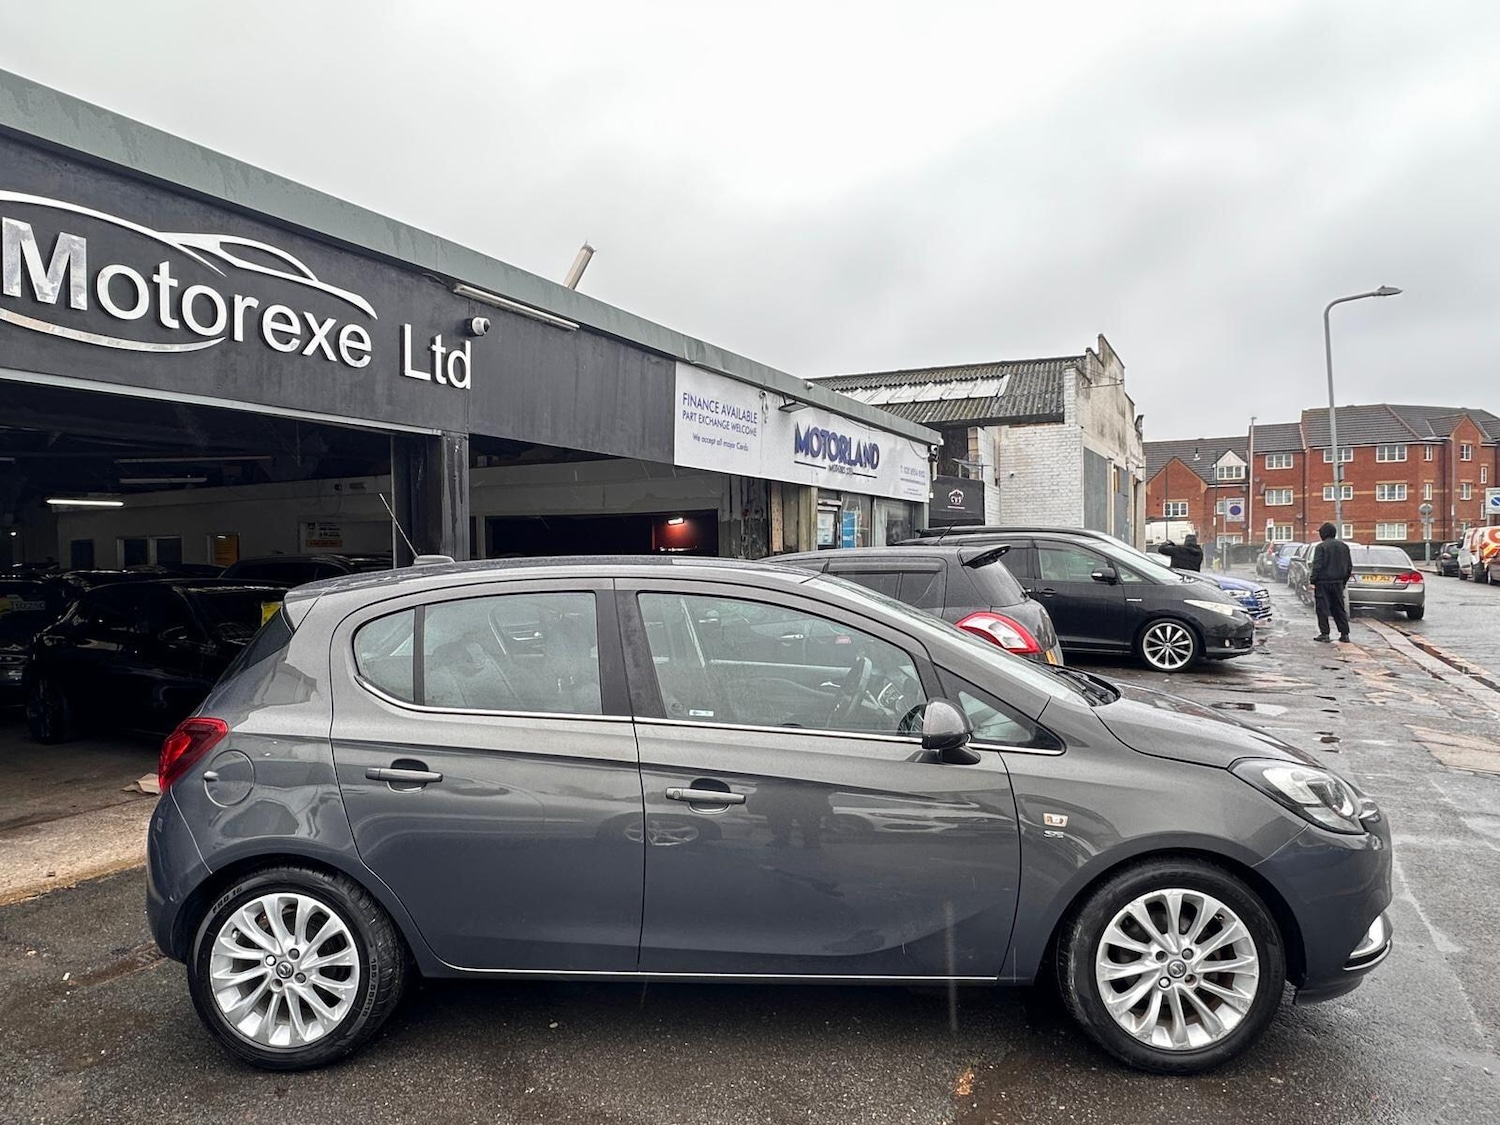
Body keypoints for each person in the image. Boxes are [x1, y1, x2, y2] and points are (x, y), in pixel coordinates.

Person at [1309, 521, 1353, 643]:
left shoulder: (1321, 547)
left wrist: (1313, 580)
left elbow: (1317, 566)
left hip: (1323, 583)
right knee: (1338, 608)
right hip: (1338, 582)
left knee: (1322, 608)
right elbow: (1349, 566)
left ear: (1323, 534)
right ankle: (1344, 634)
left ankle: (1325, 634)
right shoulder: (1344, 547)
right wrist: (1343, 581)